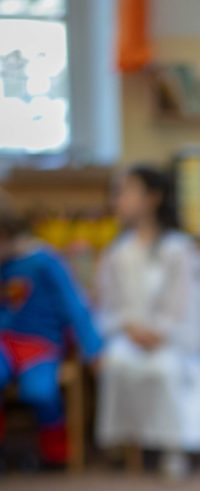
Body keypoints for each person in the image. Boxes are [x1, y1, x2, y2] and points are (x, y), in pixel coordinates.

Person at [95, 166, 200, 479]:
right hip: (130, 335)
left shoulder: (179, 248)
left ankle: (173, 449)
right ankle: (127, 444)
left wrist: (161, 332)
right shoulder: (117, 251)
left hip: (175, 339)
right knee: (116, 362)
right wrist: (128, 326)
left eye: (127, 191)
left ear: (153, 198)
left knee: (166, 368)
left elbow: (189, 303)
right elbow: (108, 302)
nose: (119, 199)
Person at [0, 190, 102, 469]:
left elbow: (74, 305)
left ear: (7, 231)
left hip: (41, 345)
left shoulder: (45, 260)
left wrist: (93, 349)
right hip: (4, 342)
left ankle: (54, 454)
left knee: (40, 391)